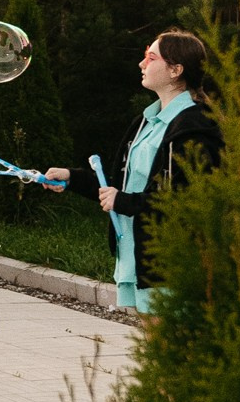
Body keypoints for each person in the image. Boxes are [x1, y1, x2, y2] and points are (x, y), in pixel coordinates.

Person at [45, 27, 221, 311]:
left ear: (176, 70)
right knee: (157, 346)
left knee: (172, 349)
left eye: (150, 57)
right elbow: (119, 185)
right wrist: (71, 178)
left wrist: (123, 200)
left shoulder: (195, 127)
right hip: (137, 253)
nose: (142, 64)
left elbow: (186, 199)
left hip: (169, 257)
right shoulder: (147, 121)